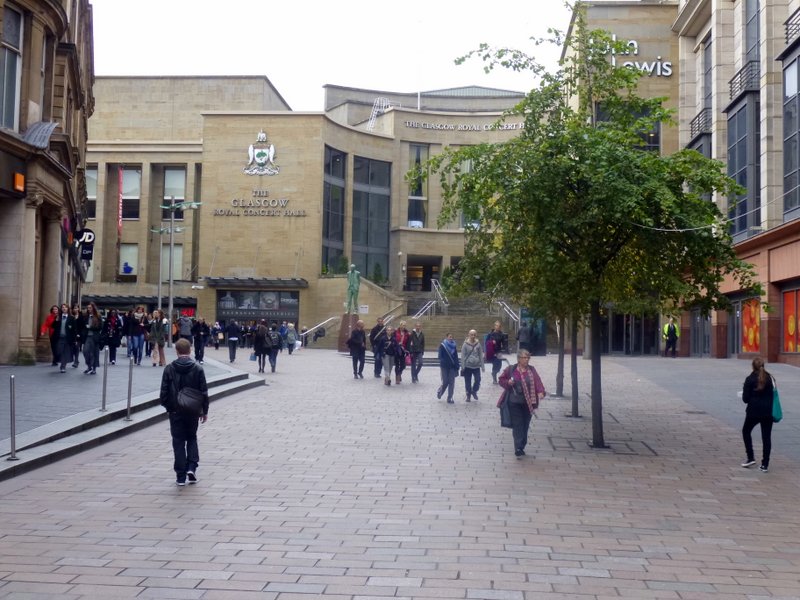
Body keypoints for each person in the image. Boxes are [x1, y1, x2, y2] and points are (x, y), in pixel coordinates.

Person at [159, 338, 209, 486]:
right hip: (192, 411)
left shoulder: (169, 369)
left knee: (178, 442)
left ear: (177, 351)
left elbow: (163, 393)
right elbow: (204, 392)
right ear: (190, 350)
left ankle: (180, 476)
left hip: (175, 411)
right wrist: (204, 411)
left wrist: (169, 407)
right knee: (192, 438)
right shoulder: (198, 369)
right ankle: (192, 467)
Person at [498, 349, 546, 457]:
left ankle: (522, 444)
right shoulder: (511, 369)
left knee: (525, 424)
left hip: (528, 403)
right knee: (518, 424)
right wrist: (508, 382)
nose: (527, 360)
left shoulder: (532, 370)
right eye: (524, 357)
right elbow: (501, 380)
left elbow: (537, 381)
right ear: (519, 359)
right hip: (514, 402)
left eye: (528, 357)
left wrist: (541, 392)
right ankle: (518, 447)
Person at [741, 357, 775, 473]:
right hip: (768, 412)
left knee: (746, 431)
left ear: (752, 366)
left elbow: (745, 399)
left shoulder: (750, 379)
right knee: (766, 437)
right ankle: (765, 464)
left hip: (753, 411)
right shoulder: (770, 378)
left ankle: (750, 457)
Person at [461, 329, 484, 402]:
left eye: (474, 335)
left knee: (478, 380)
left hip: (476, 366)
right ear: (469, 335)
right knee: (467, 382)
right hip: (468, 366)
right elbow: (462, 356)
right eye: (471, 334)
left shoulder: (478, 344)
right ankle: (468, 395)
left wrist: (482, 366)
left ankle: (474, 391)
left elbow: (480, 355)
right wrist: (463, 366)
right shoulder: (465, 344)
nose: (473, 336)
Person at [437, 333, 460, 403]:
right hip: (444, 366)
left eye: (452, 337)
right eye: (450, 337)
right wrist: (444, 361)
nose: (451, 338)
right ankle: (440, 391)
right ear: (446, 337)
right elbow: (440, 356)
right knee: (445, 382)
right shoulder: (442, 345)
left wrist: (457, 365)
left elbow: (456, 356)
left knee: (451, 382)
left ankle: (450, 398)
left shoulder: (454, 346)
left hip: (452, 366)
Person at [55, 303, 78, 373]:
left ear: (68, 309)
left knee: (65, 352)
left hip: (67, 338)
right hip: (59, 337)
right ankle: (61, 363)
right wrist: (56, 320)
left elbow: (74, 329)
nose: (64, 308)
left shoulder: (71, 318)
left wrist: (74, 339)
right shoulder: (58, 317)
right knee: (59, 351)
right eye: (62, 307)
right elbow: (54, 326)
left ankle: (63, 366)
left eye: (65, 307)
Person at [82, 302, 103, 375]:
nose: (89, 309)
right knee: (85, 351)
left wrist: (91, 327)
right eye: (88, 308)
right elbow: (83, 326)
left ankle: (94, 368)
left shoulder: (98, 316)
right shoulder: (86, 316)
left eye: (90, 308)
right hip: (87, 336)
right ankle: (89, 366)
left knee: (94, 353)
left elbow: (100, 327)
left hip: (95, 336)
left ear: (93, 308)